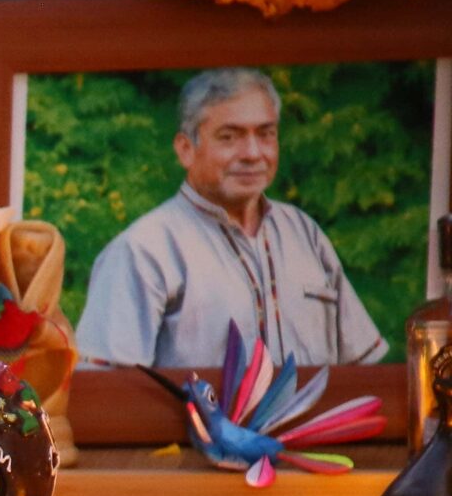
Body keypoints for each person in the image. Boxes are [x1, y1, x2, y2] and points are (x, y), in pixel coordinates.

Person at [78, 67, 383, 370]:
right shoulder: (143, 250)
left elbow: (362, 369)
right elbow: (106, 388)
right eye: (229, 137)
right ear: (185, 149)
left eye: (266, 134)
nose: (252, 153)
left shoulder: (303, 232)